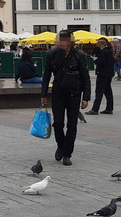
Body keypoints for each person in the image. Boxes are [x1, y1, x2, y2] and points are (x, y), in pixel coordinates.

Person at [40, 31, 91, 166]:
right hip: (58, 93)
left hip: (74, 93)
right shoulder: (53, 54)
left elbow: (85, 77)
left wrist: (86, 97)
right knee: (57, 123)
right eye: (59, 40)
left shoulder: (79, 55)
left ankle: (67, 154)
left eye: (63, 40)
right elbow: (46, 75)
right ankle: (61, 146)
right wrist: (43, 94)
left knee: (72, 125)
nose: (60, 43)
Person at [88, 37, 115, 115]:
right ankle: (109, 108)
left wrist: (95, 60)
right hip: (109, 74)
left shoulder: (103, 52)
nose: (96, 44)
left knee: (99, 92)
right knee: (108, 91)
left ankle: (95, 109)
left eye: (98, 43)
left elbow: (101, 62)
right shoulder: (109, 51)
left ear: (101, 43)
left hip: (102, 74)